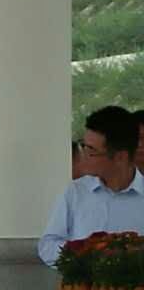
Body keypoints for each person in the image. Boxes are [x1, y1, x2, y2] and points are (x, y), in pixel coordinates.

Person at [39, 105, 144, 266]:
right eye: (83, 145)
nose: (84, 154)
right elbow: (47, 246)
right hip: (82, 281)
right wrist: (83, 251)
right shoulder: (75, 192)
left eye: (91, 150)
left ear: (120, 157)